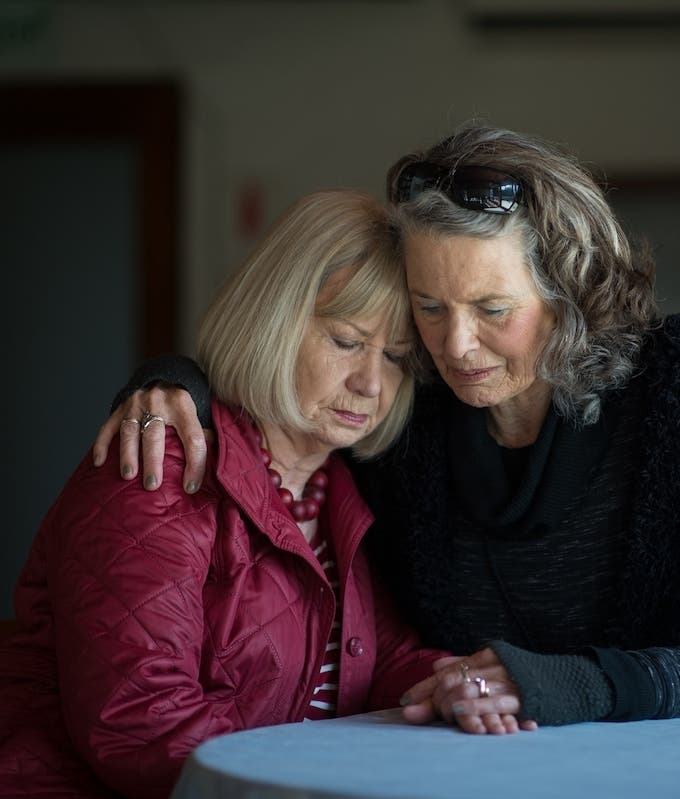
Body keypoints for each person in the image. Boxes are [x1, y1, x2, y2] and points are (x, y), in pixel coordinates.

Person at [94, 124, 680, 734]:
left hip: (648, 767)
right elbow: (287, 375)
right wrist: (175, 380)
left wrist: (571, 685)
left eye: (492, 309)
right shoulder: (407, 404)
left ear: (568, 291)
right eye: (429, 307)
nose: (455, 346)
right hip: (455, 766)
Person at [0, 190, 462, 799]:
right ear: (272, 323)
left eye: (397, 357)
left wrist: (456, 684)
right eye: (347, 341)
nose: (370, 384)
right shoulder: (162, 466)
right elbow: (143, 723)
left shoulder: (336, 490)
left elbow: (381, 662)